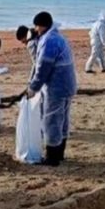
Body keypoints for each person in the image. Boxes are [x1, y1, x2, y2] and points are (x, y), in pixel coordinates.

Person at [26, 12, 77, 166]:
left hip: (57, 87)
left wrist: (33, 87)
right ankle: (59, 154)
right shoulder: (57, 37)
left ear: (41, 25)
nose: (36, 29)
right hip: (67, 85)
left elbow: (43, 68)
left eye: (36, 26)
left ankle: (52, 158)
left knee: (52, 121)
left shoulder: (49, 41)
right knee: (62, 120)